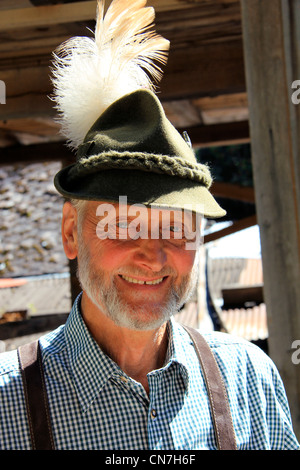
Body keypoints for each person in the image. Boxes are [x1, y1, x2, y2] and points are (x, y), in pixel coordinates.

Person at [0, 0, 299, 450]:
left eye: (178, 229)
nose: (153, 255)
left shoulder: (249, 381)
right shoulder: (7, 405)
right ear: (70, 233)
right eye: (123, 226)